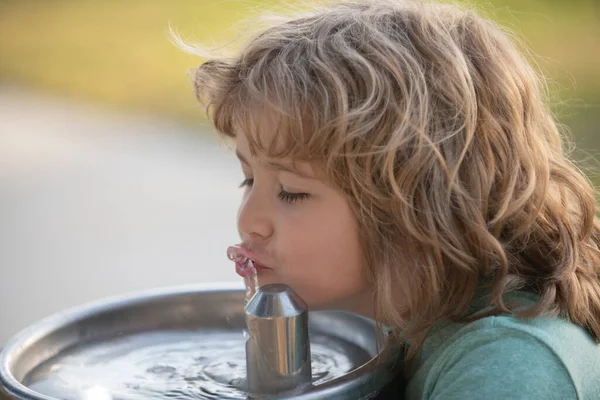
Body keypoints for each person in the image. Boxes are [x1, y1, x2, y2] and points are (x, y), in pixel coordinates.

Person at [187, 0, 600, 398]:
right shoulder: (410, 310)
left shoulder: (508, 366)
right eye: (247, 180)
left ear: (415, 208)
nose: (249, 220)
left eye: (291, 192)